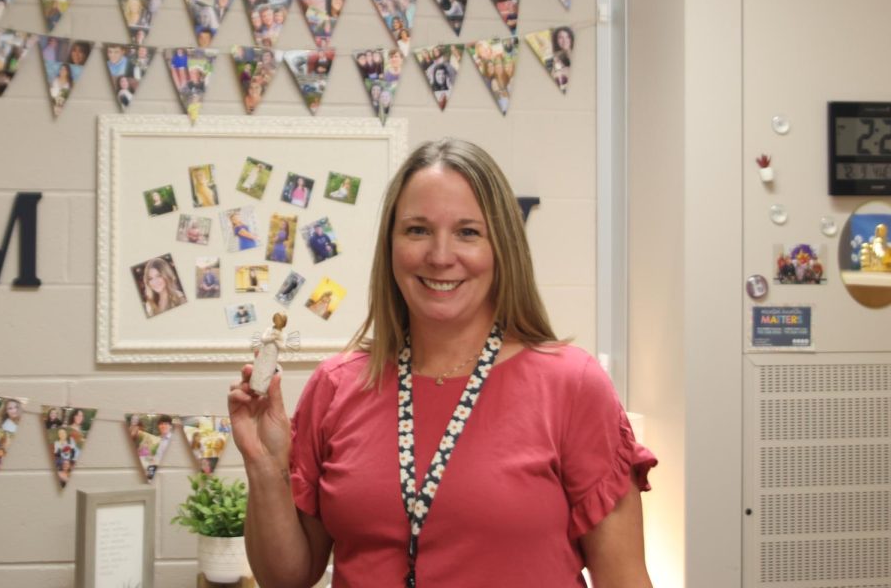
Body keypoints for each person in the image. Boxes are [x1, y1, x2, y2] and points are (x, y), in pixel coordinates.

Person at [228, 138, 656, 587]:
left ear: (502, 248)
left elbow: (624, 579)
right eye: (417, 230)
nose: (439, 255)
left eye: (468, 232)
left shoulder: (571, 385)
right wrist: (264, 464)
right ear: (390, 246)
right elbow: (286, 578)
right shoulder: (337, 386)